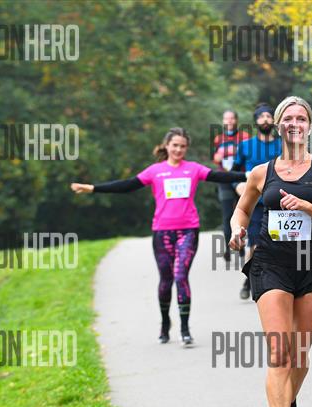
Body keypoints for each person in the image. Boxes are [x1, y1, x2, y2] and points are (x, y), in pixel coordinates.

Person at [229, 96, 312, 407]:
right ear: (278, 125)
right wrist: (237, 230)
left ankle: (288, 400)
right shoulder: (261, 172)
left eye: (301, 118)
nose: (294, 123)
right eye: (288, 118)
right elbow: (242, 209)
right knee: (279, 351)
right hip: (270, 262)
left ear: (309, 126)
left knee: (299, 352)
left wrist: (308, 206)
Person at [71, 128, 247, 346]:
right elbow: (128, 185)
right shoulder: (155, 171)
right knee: (166, 281)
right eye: (175, 145)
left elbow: (220, 176)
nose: (178, 150)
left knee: (181, 276)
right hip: (162, 232)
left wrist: (249, 175)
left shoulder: (193, 169)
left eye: (183, 146)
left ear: (186, 148)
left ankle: (184, 329)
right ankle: (165, 323)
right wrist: (93, 188)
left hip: (188, 230)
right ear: (166, 146)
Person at [232, 103, 282, 299]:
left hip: (280, 204)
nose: (265, 119)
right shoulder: (245, 146)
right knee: (255, 244)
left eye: (269, 116)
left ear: (274, 121)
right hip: (255, 205)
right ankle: (250, 280)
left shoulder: (283, 145)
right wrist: (237, 185)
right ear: (256, 121)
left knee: (278, 244)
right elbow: (234, 172)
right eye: (262, 117)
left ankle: (278, 281)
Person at [212, 110, 250, 263]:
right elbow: (215, 159)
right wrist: (218, 156)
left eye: (231, 118)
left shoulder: (245, 137)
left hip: (240, 178)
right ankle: (228, 248)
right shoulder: (218, 139)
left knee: (242, 212)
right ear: (223, 121)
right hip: (224, 179)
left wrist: (233, 152)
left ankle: (241, 245)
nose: (229, 121)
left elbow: (248, 156)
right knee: (227, 214)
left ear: (236, 120)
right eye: (226, 118)